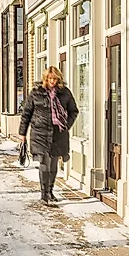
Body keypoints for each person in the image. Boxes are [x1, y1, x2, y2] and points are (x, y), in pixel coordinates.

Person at [19, 66, 79, 205]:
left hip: (58, 134)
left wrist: (66, 125)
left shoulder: (65, 93)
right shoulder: (36, 93)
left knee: (53, 164)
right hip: (40, 133)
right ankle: (44, 194)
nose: (52, 81)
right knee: (44, 162)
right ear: (45, 79)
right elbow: (26, 113)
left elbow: (73, 111)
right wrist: (22, 133)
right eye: (50, 78)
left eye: (55, 79)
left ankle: (50, 191)